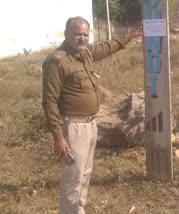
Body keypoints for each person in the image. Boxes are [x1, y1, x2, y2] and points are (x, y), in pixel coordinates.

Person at [41, 16, 142, 214]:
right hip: (73, 128)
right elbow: (49, 102)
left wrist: (130, 36)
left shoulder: (86, 53)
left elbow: (107, 47)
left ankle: (79, 209)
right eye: (77, 34)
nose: (82, 38)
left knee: (85, 173)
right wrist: (58, 138)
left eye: (86, 35)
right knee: (73, 178)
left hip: (90, 125)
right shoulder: (57, 61)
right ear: (66, 34)